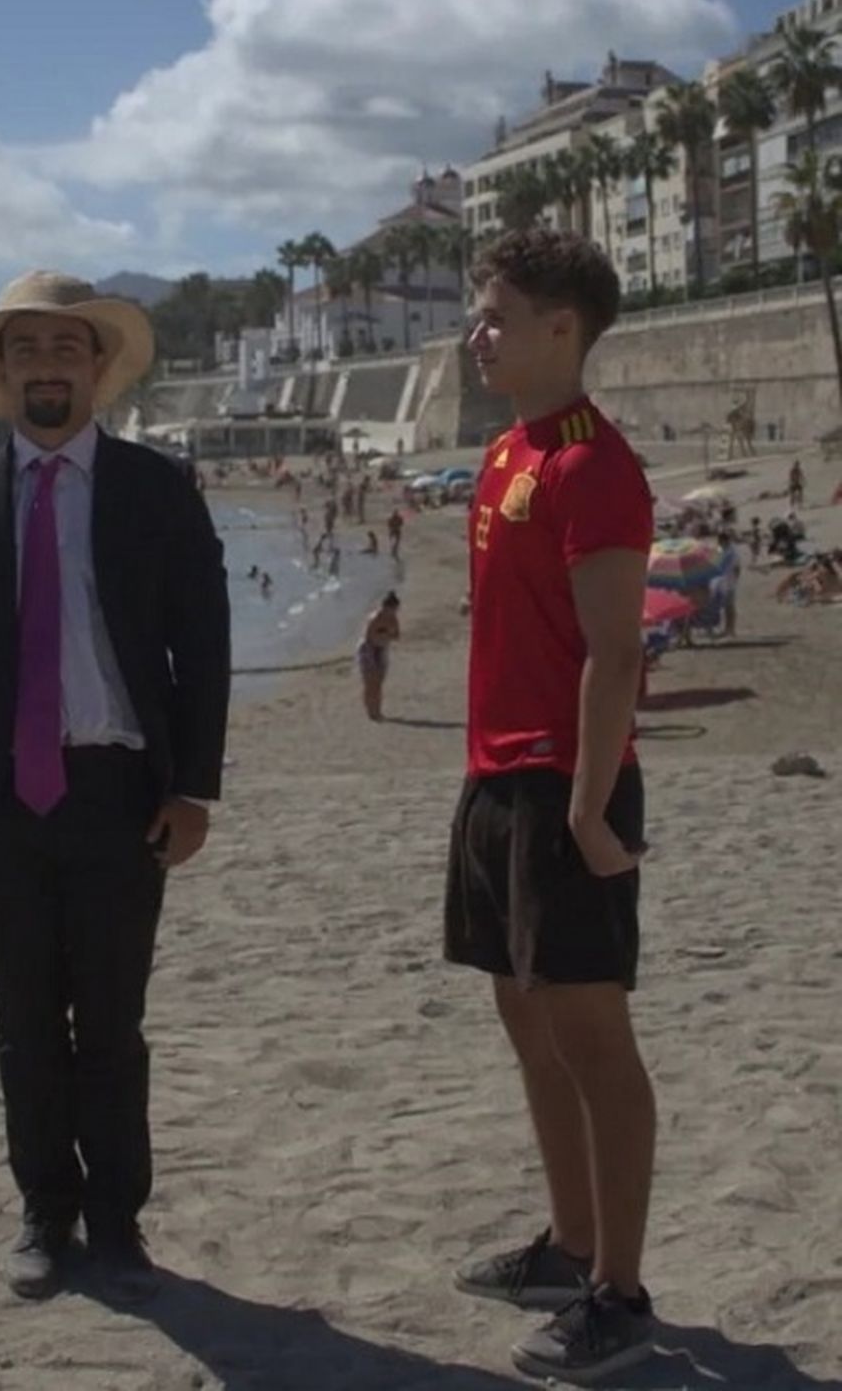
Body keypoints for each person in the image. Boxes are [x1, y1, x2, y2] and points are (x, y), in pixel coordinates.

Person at [0, 270, 229, 1303]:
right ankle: (46, 1209)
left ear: (97, 367)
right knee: (25, 1019)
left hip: (121, 791)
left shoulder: (156, 489)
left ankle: (119, 1216)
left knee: (113, 1021)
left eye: (66, 347)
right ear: (3, 372)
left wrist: (196, 787)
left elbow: (201, 645)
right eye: (27, 348)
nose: (47, 364)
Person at [447, 230, 658, 1382]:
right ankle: (567, 1243)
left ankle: (619, 1289)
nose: (478, 331)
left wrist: (586, 806)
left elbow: (615, 653)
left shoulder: (595, 465)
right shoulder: (506, 452)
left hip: (566, 786)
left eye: (498, 313)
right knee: (526, 1022)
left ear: (561, 329)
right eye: (481, 312)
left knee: (593, 1038)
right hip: (495, 777)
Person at [356, 592, 401, 721]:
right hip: (368, 649)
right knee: (370, 682)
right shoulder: (374, 618)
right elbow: (369, 637)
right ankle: (371, 711)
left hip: (382, 649)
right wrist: (385, 635)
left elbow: (397, 636)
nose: (393, 612)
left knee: (379, 683)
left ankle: (378, 710)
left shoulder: (393, 619)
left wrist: (386, 635)